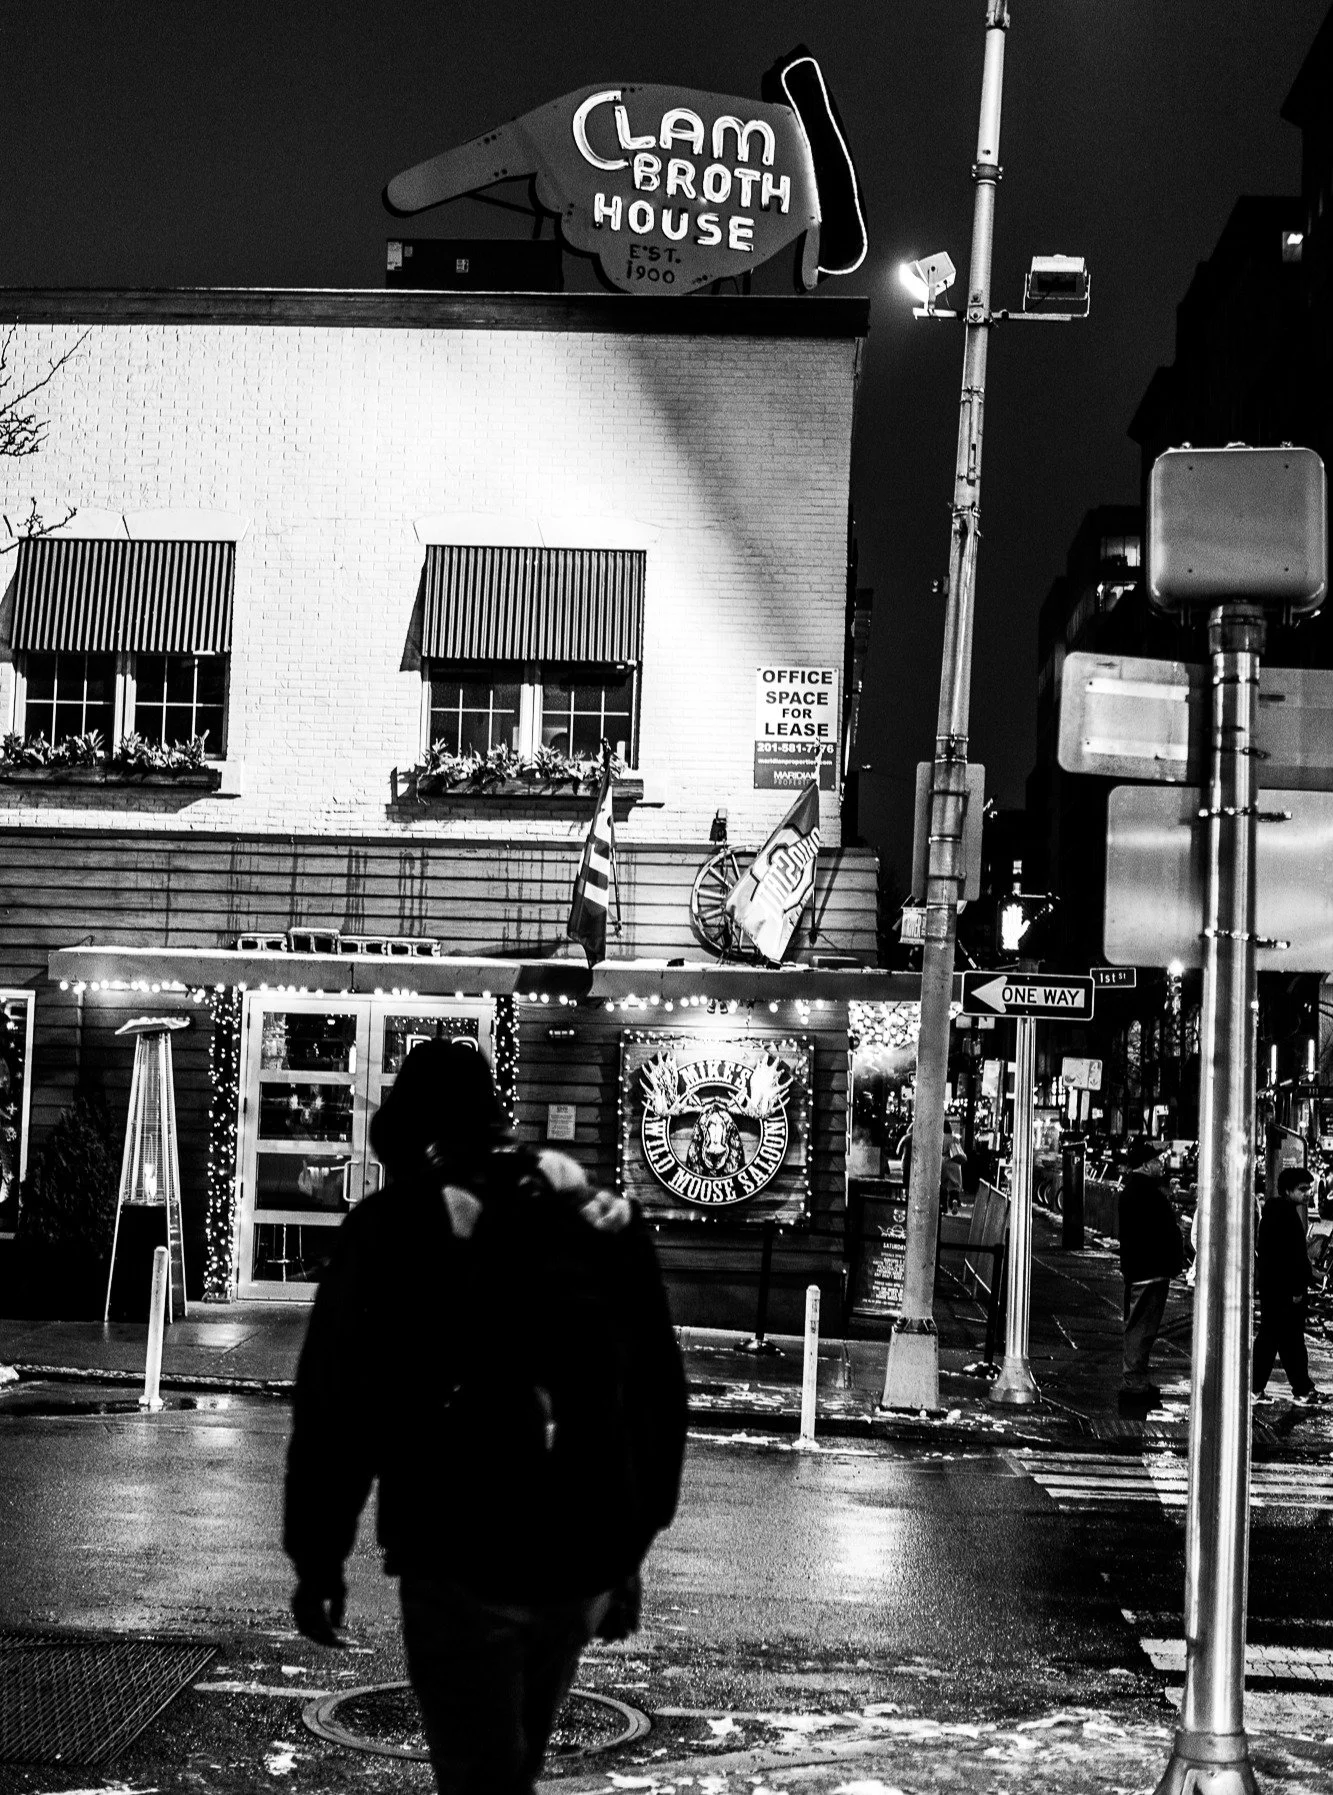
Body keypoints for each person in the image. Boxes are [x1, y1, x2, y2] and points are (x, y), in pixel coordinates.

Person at [284, 1038, 688, 1794]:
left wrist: (318, 1557)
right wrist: (631, 1545)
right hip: (583, 1552)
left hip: (457, 1548)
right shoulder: (593, 1213)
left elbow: (335, 1406)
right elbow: (655, 1395)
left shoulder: (390, 1225)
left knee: (478, 1778)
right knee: (516, 1762)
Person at [1118, 1137, 1185, 1411]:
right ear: (1145, 1165)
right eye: (1157, 1161)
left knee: (1143, 1328)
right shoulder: (1142, 1192)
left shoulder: (1140, 1189)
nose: (1161, 1164)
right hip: (1148, 1270)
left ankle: (1138, 1379)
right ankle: (1134, 1381)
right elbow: (1154, 1232)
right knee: (1141, 1328)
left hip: (1148, 1269)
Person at [1253, 1164, 1323, 1406]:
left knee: (1279, 1340)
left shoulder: (1277, 1212)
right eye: (1303, 1189)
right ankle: (1299, 1389)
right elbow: (1288, 1257)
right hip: (1283, 1292)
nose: (1308, 1193)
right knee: (1282, 1340)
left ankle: (1298, 1388)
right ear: (1288, 1190)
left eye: (1309, 1188)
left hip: (1276, 1289)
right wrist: (1295, 1289)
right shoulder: (1284, 1215)